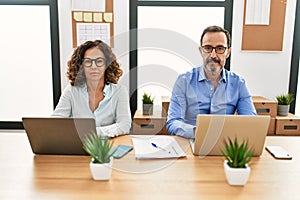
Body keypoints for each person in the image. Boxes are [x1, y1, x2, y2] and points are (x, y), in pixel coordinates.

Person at [166, 25, 256, 139]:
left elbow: (251, 123)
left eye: (219, 49)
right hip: (191, 141)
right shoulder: (183, 81)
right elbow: (172, 122)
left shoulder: (239, 83)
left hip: (224, 144)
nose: (213, 55)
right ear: (201, 51)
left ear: (228, 52)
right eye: (208, 48)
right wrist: (197, 132)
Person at [52, 40, 132, 137]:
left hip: (108, 147)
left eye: (99, 61)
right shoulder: (71, 90)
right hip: (78, 147)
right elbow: (56, 122)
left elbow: (124, 125)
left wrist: (92, 132)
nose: (93, 66)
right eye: (88, 61)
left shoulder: (119, 91)